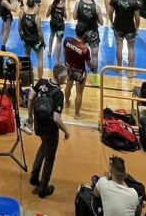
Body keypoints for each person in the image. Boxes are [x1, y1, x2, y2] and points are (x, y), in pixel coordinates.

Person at [26, 65, 70, 199]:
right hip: (50, 130)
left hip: (39, 126)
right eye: (66, 76)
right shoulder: (58, 94)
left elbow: (30, 98)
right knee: (50, 158)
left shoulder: (42, 82)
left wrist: (30, 117)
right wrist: (66, 131)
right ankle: (43, 189)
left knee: (43, 147)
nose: (67, 78)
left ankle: (34, 177)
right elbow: (56, 118)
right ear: (60, 77)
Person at [63, 27, 97, 119]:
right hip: (80, 72)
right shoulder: (85, 49)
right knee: (79, 93)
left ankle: (66, 103)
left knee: (68, 86)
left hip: (69, 68)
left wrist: (66, 63)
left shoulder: (67, 40)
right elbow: (89, 64)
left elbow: (65, 53)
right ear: (84, 34)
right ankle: (76, 114)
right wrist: (93, 67)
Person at [108, 0, 140, 76]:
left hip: (118, 26)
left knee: (119, 47)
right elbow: (137, 18)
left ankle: (119, 70)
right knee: (131, 48)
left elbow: (110, 12)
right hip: (130, 28)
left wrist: (112, 22)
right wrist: (137, 28)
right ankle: (130, 71)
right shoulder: (134, 2)